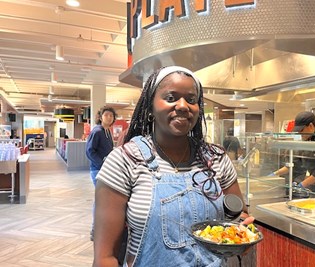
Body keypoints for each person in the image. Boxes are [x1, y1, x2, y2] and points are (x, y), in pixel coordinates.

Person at [93, 66, 254, 267]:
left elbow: (239, 217)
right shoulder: (124, 161)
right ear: (150, 107)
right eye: (171, 98)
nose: (183, 106)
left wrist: (241, 234)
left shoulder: (216, 159)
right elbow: (105, 257)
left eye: (192, 100)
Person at [270, 111, 315, 198]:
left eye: (301, 130)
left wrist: (302, 184)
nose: (300, 133)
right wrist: (275, 174)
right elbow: (295, 164)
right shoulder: (307, 141)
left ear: (310, 126)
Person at [85, 106, 117, 240]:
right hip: (98, 170)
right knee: (100, 199)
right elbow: (89, 151)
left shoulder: (107, 131)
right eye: (106, 115)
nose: (109, 117)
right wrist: (103, 164)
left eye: (111, 116)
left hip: (105, 170)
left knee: (104, 199)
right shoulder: (97, 131)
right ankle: (95, 229)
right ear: (100, 117)